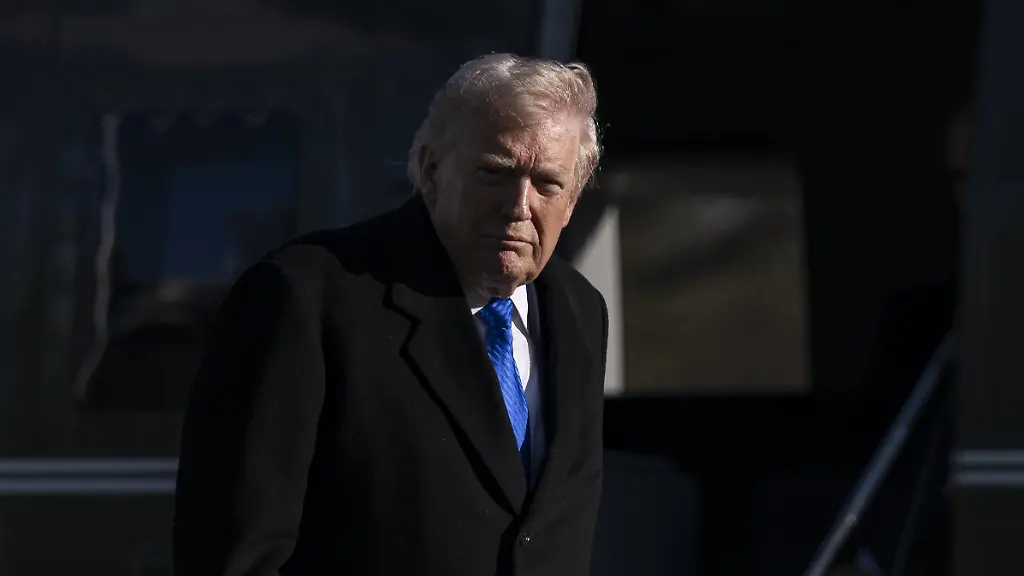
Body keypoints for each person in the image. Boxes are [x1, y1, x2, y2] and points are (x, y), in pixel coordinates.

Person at [173, 53, 609, 576]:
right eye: (495, 174)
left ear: (573, 200)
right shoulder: (306, 297)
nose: (520, 205)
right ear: (430, 171)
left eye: (547, 184)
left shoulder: (580, 312)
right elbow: (239, 553)